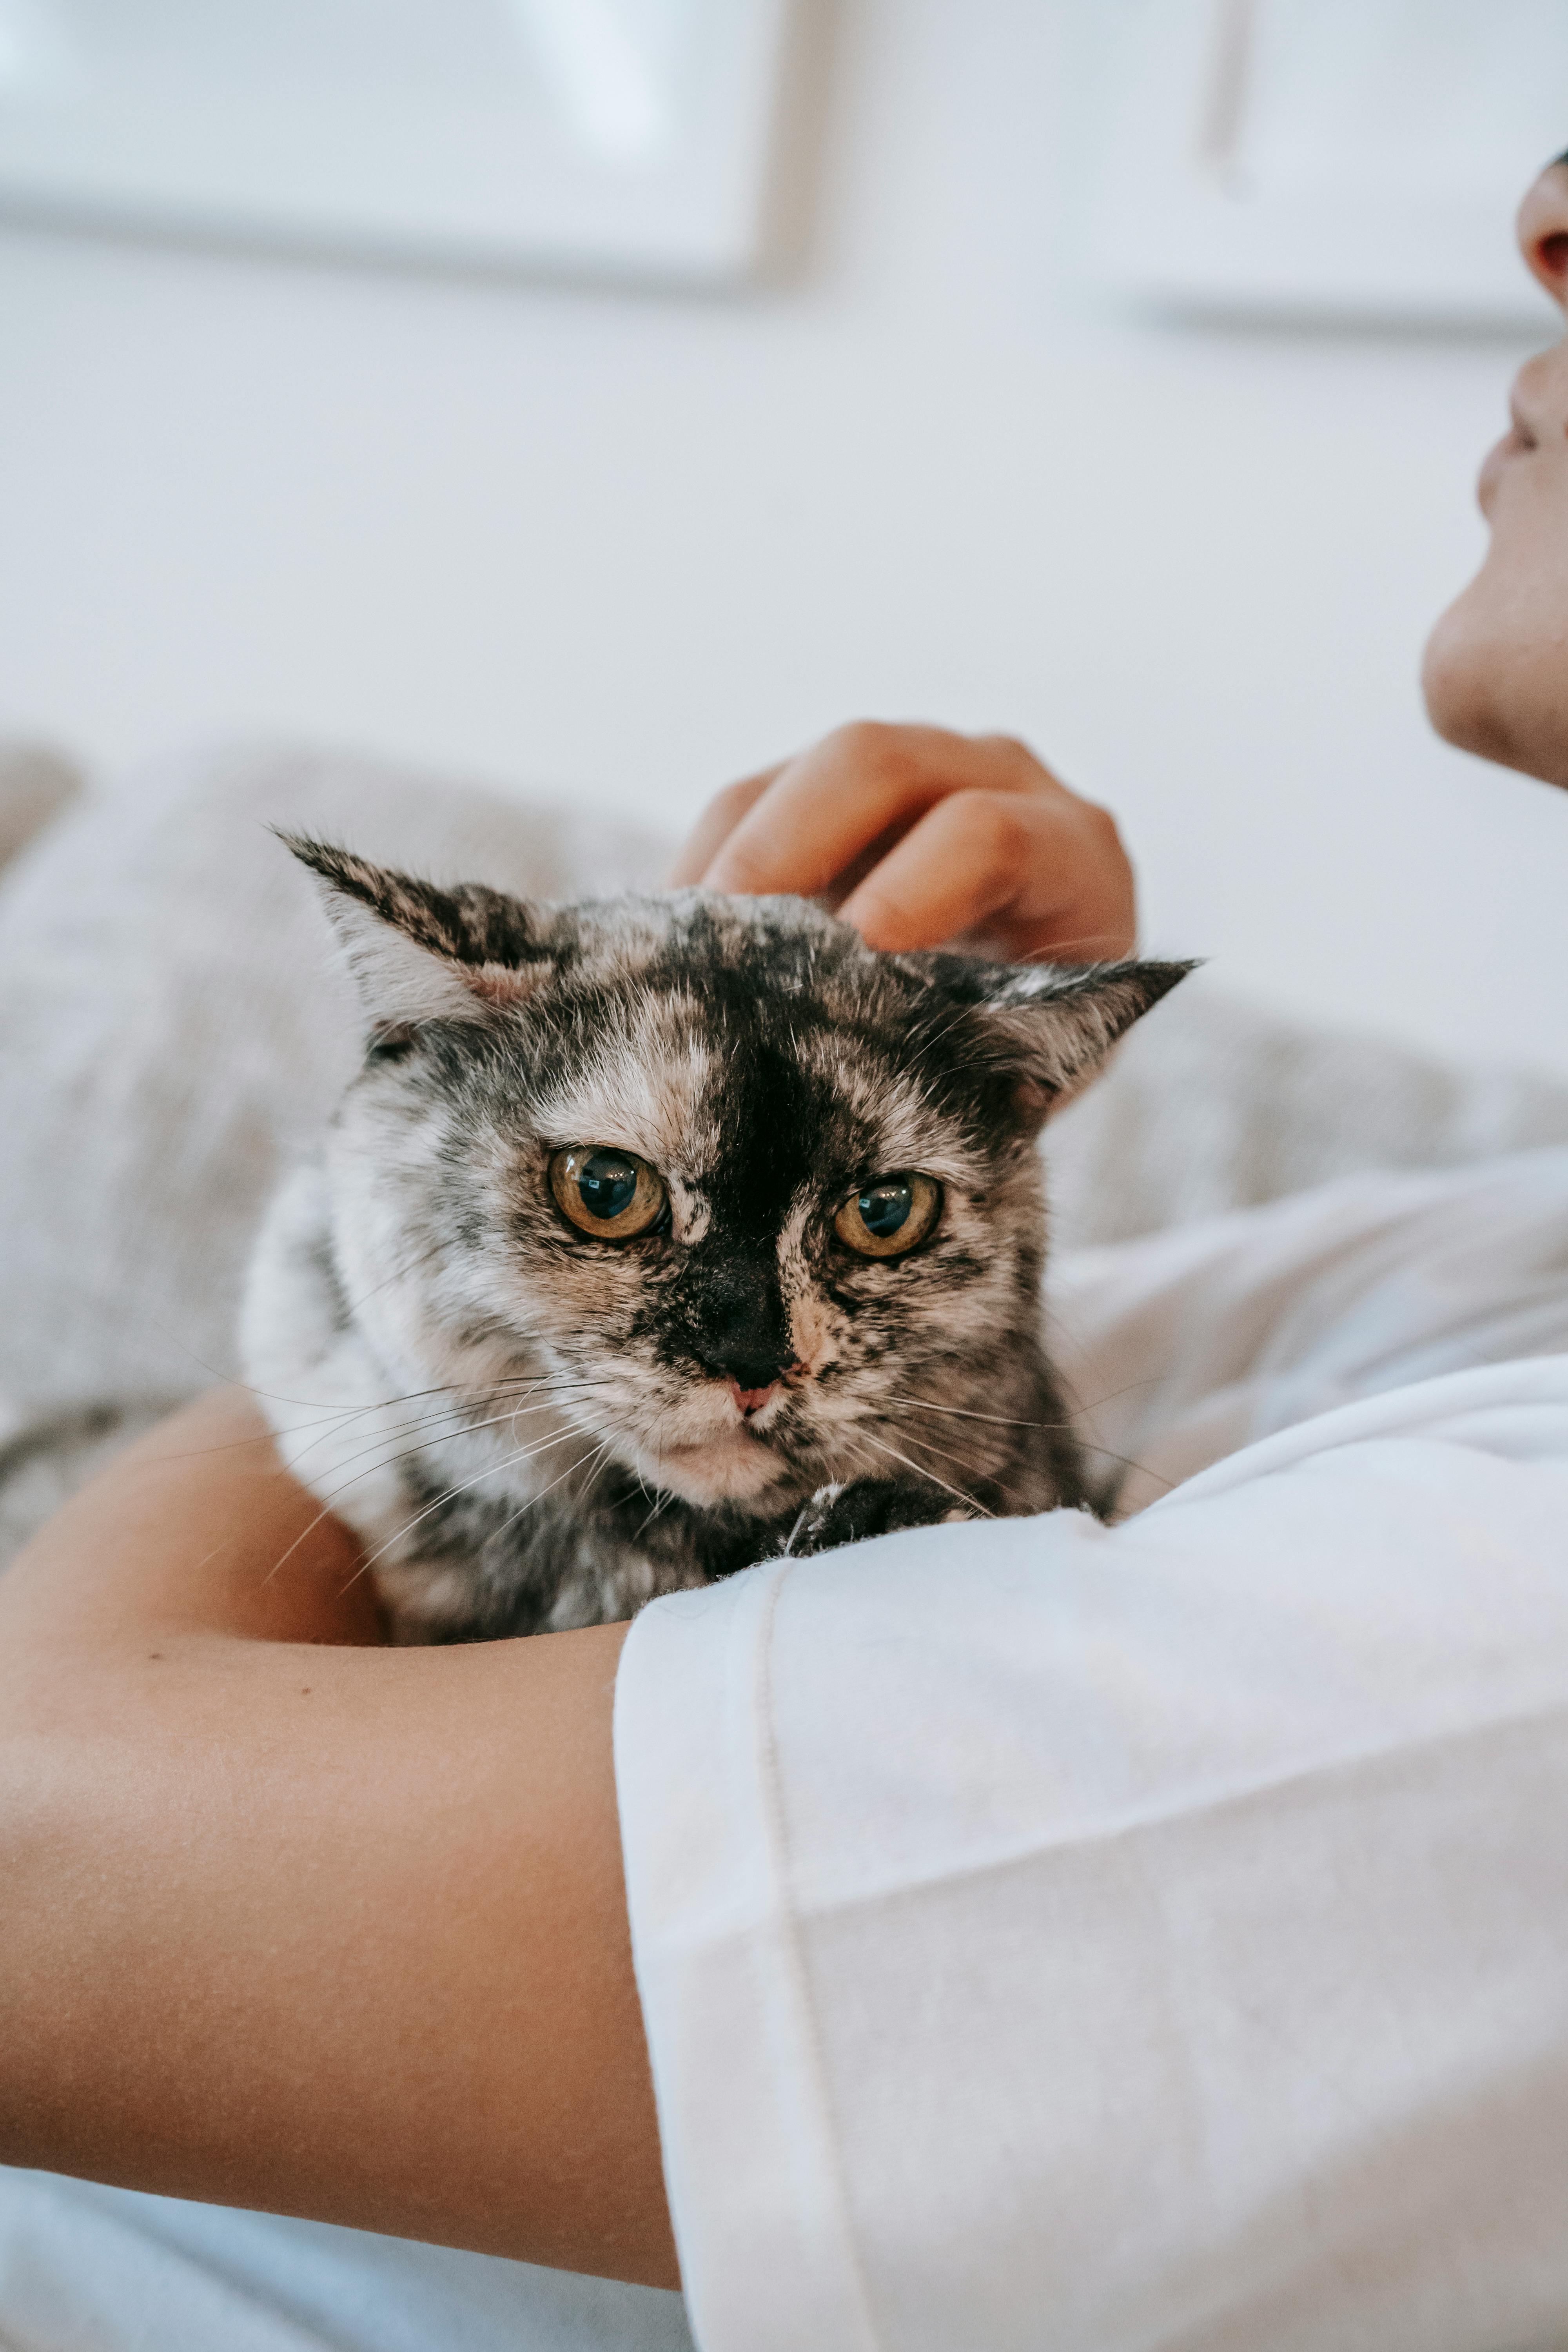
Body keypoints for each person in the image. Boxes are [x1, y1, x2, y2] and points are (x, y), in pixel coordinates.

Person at [6, 156, 1568, 2352]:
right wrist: (792, 1083)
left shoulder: (1516, 1656)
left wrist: (475, 1190)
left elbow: (28, 1869)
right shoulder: (1516, 1254)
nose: (1545, 212)